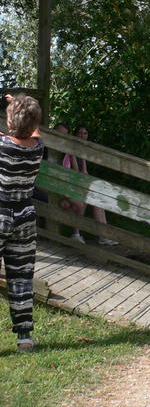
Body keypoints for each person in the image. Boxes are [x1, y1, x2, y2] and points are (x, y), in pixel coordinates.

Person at [0, 93, 44, 352]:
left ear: (10, 120)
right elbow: (35, 132)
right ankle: (24, 338)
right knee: (21, 278)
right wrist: (21, 106)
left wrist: (13, 105)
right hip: (25, 216)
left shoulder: (3, 145)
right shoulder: (37, 148)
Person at [73, 125, 117, 246]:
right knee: (90, 199)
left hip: (80, 183)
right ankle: (77, 234)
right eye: (80, 133)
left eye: (85, 133)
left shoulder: (83, 151)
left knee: (99, 200)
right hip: (71, 184)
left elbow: (85, 172)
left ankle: (104, 235)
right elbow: (77, 173)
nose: (82, 136)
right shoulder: (71, 149)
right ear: (75, 134)